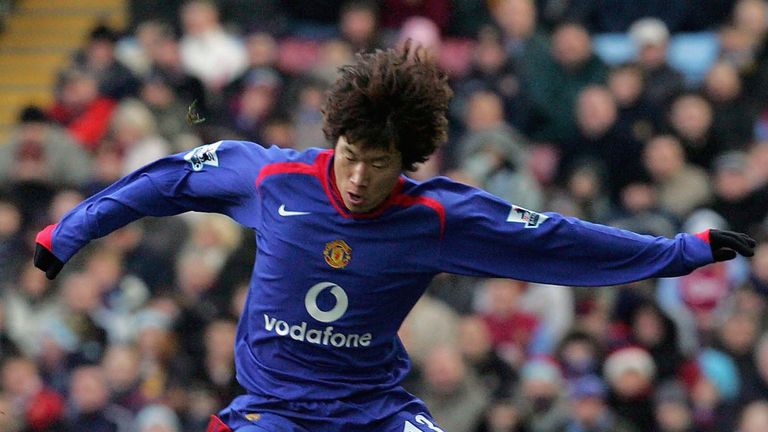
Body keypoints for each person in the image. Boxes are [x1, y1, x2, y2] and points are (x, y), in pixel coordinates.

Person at [32, 43, 756, 432]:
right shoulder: (270, 178)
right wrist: (66, 234)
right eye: (349, 155)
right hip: (272, 412)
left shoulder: (436, 217)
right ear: (334, 139)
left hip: (373, 411)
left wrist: (681, 252)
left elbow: (558, 242)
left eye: (377, 166)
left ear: (405, 162)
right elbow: (162, 180)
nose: (356, 177)